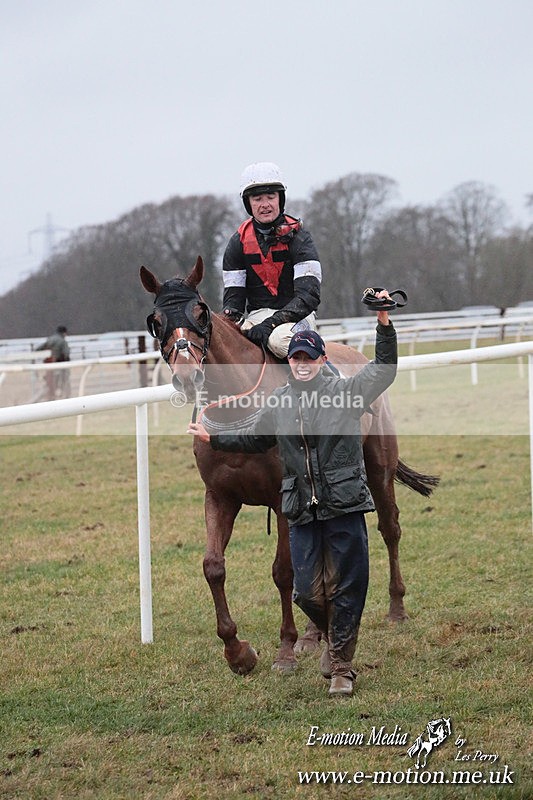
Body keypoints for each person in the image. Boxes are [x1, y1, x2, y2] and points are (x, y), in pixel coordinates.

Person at [188, 294, 397, 697]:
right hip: (302, 508)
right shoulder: (279, 402)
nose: (300, 365)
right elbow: (253, 438)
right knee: (304, 592)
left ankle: (341, 667)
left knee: (346, 589)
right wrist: (214, 435)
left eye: (308, 358)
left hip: (344, 506)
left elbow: (383, 370)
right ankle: (333, 633)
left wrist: (383, 321)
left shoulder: (347, 393)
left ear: (321, 361)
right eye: (295, 359)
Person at [222, 162, 322, 358]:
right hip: (257, 316)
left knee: (278, 341)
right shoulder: (237, 243)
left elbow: (308, 297)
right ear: (248, 204)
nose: (265, 204)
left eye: (271, 197)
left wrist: (271, 324)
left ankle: (329, 378)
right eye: (257, 198)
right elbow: (234, 302)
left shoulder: (301, 239)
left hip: (298, 316)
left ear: (280, 199)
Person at [35, 325, 70, 400]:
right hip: (59, 366)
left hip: (49, 366)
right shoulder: (62, 341)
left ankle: (50, 395)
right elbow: (66, 354)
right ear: (64, 333)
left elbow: (39, 348)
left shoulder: (50, 339)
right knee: (61, 382)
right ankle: (59, 394)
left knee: (49, 383)